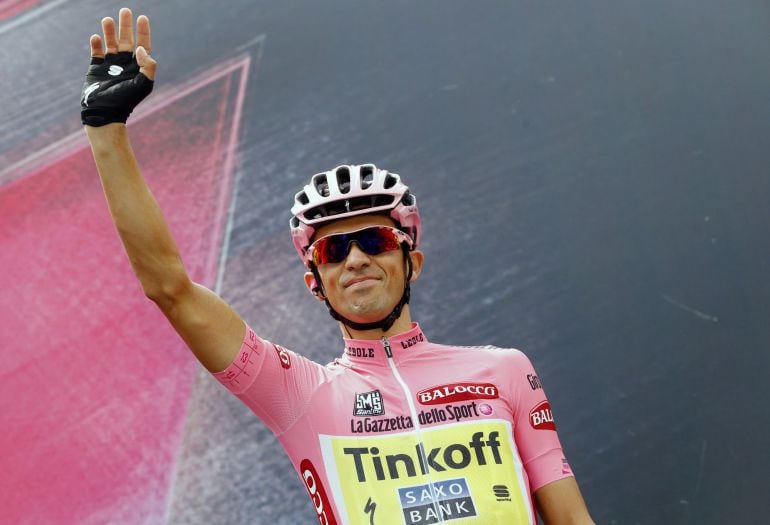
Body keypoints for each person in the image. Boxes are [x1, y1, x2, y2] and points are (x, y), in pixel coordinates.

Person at [82, 8, 595, 525]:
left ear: (411, 262)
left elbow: (572, 520)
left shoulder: (504, 372)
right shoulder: (302, 395)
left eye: (374, 240)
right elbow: (172, 289)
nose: (355, 259)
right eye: (333, 250)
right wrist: (107, 130)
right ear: (315, 283)